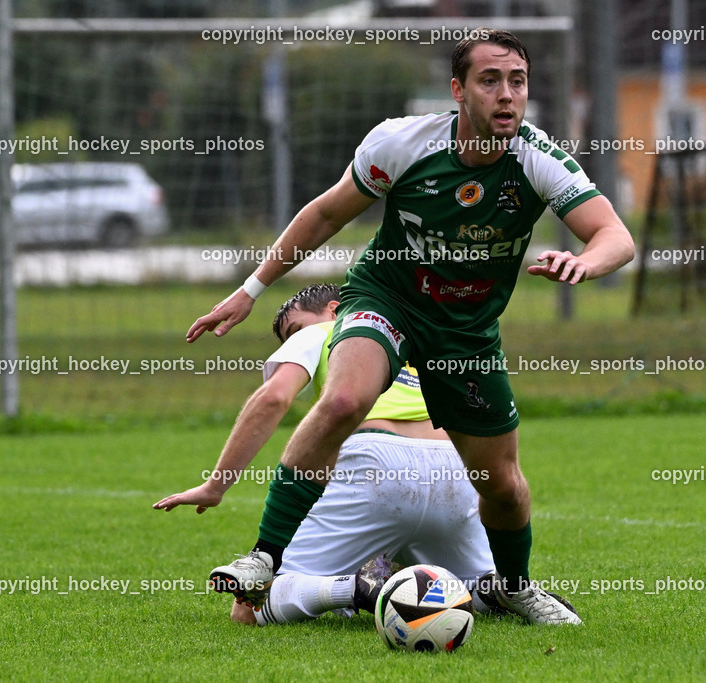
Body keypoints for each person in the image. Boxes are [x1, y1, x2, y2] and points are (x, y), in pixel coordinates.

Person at [185, 29, 634, 625]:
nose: (507, 95)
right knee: (344, 398)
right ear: (458, 90)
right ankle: (265, 557)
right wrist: (251, 290)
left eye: (518, 82)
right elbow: (323, 214)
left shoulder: (537, 159)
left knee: (501, 483)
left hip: (467, 331)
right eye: (490, 81)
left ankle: (514, 586)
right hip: (388, 297)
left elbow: (616, 237)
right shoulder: (402, 142)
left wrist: (586, 261)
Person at [153, 283, 499, 625]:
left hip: (378, 464)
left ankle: (356, 588)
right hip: (454, 468)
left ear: (335, 309)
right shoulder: (406, 338)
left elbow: (272, 398)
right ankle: (504, 589)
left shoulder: (328, 330)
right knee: (470, 588)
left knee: (248, 609)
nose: (293, 340)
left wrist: (216, 486)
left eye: (294, 329)